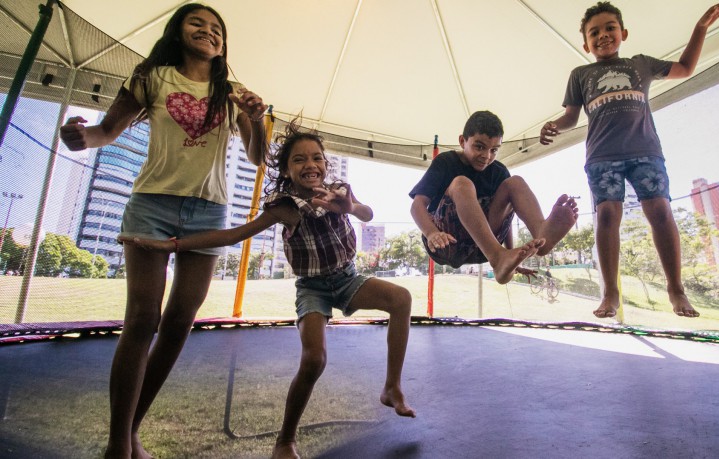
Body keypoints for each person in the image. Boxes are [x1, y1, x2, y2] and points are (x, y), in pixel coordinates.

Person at [121, 117, 416, 459]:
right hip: (313, 288)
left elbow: (365, 213)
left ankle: (392, 386)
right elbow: (232, 236)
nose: (311, 164)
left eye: (317, 157)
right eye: (299, 159)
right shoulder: (285, 207)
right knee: (314, 359)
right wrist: (173, 246)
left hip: (348, 278)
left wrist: (349, 206)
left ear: (325, 163)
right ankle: (285, 442)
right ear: (288, 171)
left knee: (401, 299)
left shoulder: (338, 190)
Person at [59, 4, 268, 458]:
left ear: (223, 46)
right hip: (152, 204)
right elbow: (106, 131)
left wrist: (257, 117)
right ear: (178, 30)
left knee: (177, 325)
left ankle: (132, 428)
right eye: (197, 23)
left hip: (209, 212)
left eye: (216, 29)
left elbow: (257, 156)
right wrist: (81, 137)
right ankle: (118, 445)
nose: (207, 32)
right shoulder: (153, 75)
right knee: (141, 320)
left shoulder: (231, 91)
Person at [540, 2, 719, 318]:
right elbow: (571, 117)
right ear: (586, 44)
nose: (603, 35)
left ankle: (676, 289)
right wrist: (553, 127)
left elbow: (685, 68)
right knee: (606, 216)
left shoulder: (641, 64)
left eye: (609, 28)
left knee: (659, 209)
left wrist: (700, 28)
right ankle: (611, 293)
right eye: (594, 32)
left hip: (646, 152)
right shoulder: (581, 74)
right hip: (603, 156)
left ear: (623, 33)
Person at [410, 110, 578, 285]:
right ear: (462, 141)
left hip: (483, 246)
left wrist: (512, 258)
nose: (486, 156)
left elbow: (507, 214)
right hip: (448, 243)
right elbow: (417, 205)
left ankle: (541, 233)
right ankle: (497, 257)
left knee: (515, 183)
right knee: (462, 183)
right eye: (479, 147)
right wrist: (431, 233)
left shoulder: (498, 171)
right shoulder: (445, 162)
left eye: (494, 150)